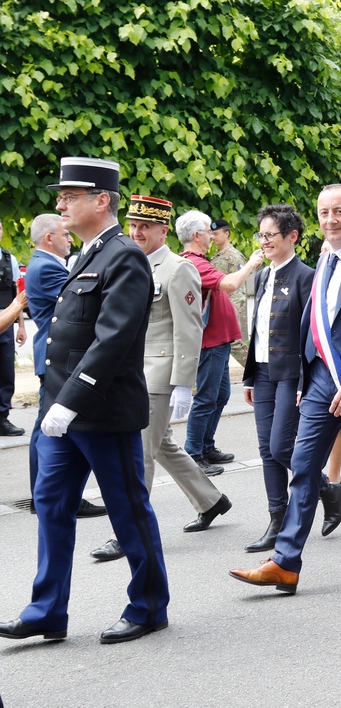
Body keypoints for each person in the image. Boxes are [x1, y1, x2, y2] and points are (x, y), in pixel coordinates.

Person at [0, 157, 169, 644]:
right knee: (52, 507)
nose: (59, 203)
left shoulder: (124, 256)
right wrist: (56, 404)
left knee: (127, 509)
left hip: (100, 411)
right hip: (61, 411)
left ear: (101, 200)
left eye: (69, 196)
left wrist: (68, 402)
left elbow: (111, 340)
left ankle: (149, 604)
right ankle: (47, 609)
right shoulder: (87, 254)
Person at [230, 184, 341, 592]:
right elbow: (311, 327)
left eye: (340, 212)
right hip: (320, 384)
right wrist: (305, 380)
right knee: (303, 465)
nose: (331, 220)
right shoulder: (324, 261)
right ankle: (286, 561)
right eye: (324, 212)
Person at [89, 195, 236, 563]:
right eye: (133, 226)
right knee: (163, 444)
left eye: (146, 227)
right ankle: (211, 499)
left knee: (139, 452)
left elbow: (188, 329)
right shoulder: (128, 263)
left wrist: (184, 382)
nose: (137, 232)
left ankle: (127, 530)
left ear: (163, 230)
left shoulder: (176, 268)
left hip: (158, 374)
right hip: (130, 372)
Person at [242, 204, 315, 552]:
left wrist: (305, 381)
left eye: (271, 235)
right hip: (263, 371)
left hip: (291, 373)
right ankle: (276, 517)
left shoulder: (305, 276)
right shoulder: (262, 275)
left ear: (292, 236)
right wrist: (250, 376)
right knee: (265, 450)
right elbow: (258, 328)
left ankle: (324, 487)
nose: (265, 241)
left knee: (281, 445)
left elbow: (310, 335)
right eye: (262, 235)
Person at [24, 214, 107, 517]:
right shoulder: (46, 267)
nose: (70, 239)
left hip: (54, 355)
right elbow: (81, 301)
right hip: (57, 356)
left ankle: (48, 494)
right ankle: (49, 494)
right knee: (49, 431)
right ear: (49, 238)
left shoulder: (46, 264)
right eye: (64, 235)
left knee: (47, 428)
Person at [179, 211, 263, 468]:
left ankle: (206, 446)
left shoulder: (198, 261)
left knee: (220, 395)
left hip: (218, 341)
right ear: (196, 235)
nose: (211, 237)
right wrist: (252, 263)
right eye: (208, 231)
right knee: (207, 398)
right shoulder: (194, 262)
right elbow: (230, 284)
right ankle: (194, 453)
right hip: (211, 342)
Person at [209, 219, 253, 366]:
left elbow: (239, 283)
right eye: (211, 234)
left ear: (226, 233)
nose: (212, 237)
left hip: (233, 302)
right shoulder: (217, 256)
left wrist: (234, 308)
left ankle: (255, 372)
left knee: (235, 343)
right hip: (220, 304)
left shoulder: (234, 256)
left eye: (216, 233)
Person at [0, 220, 27, 436]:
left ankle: (2, 419)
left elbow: (17, 296)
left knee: (6, 373)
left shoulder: (10, 259)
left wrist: (21, 327)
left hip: (6, 321)